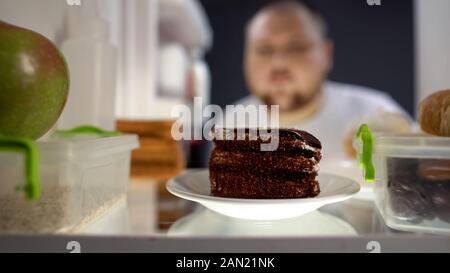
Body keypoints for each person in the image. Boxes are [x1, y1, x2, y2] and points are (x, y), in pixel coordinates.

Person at [235, 0, 410, 161]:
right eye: (264, 49)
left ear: (326, 54)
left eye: (297, 47)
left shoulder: (379, 115)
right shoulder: (228, 125)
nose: (279, 63)